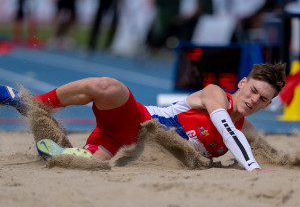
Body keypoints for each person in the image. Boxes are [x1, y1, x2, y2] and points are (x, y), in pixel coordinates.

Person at [0, 63, 286, 172]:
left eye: (263, 99)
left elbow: (260, 151)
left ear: (268, 104)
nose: (253, 100)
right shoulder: (215, 95)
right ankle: (30, 102)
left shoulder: (246, 131)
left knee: (80, 163)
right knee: (106, 86)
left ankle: (63, 149)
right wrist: (253, 167)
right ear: (243, 83)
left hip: (127, 149)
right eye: (253, 91)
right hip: (135, 121)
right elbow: (225, 129)